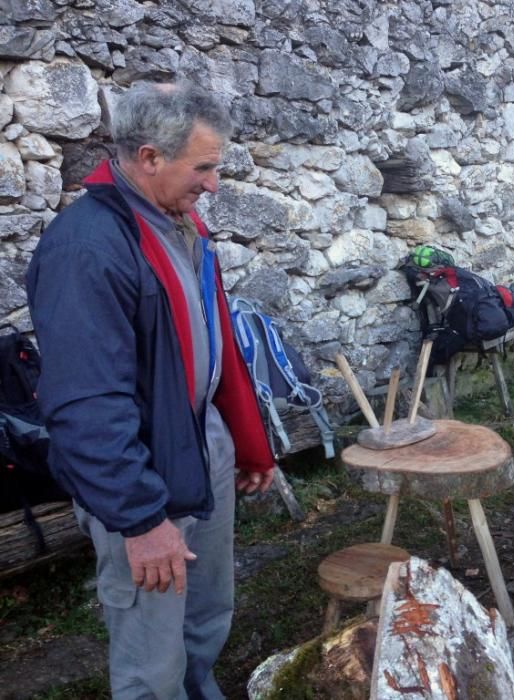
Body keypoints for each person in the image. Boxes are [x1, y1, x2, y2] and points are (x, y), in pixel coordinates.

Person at [26, 82, 275, 698]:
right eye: (205, 167)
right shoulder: (88, 246)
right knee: (150, 642)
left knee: (207, 607)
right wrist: (141, 519)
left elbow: (207, 337)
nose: (214, 185)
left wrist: (239, 440)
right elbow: (86, 402)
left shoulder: (176, 223)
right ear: (148, 157)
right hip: (141, 470)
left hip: (198, 442)